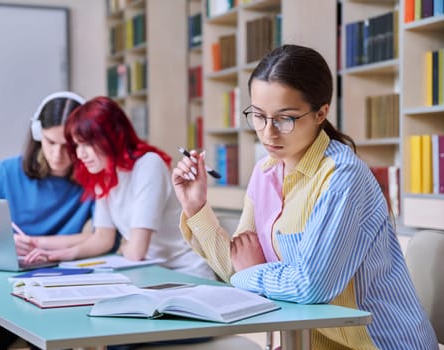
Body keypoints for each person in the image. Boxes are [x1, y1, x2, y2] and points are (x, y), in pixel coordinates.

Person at [172, 44, 438, 350]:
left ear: (320, 113)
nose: (268, 133)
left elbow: (311, 285)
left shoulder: (342, 177)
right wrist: (196, 207)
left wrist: (251, 272)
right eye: (259, 116)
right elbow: (238, 267)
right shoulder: (265, 173)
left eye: (285, 119)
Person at [0, 91, 103, 350]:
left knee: (53, 341)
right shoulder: (5, 172)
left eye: (67, 146)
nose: (58, 155)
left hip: (59, 291)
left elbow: (102, 239)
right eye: (50, 142)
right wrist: (7, 242)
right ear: (37, 134)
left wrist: (39, 244)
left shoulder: (93, 180)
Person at [26, 96, 214, 280]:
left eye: (88, 143)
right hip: (152, 273)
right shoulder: (104, 175)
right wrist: (61, 255)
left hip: (187, 274)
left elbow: (136, 251)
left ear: (112, 137)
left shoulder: (149, 165)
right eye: (77, 145)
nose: (80, 154)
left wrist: (126, 248)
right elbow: (103, 239)